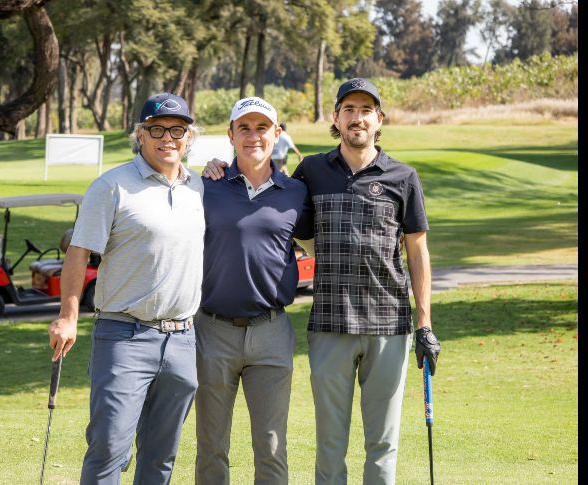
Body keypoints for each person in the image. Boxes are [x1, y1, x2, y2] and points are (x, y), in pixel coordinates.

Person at [203, 78, 441, 484]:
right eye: (349, 109)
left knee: (383, 444)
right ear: (336, 117)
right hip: (331, 326)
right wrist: (217, 170)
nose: (357, 118)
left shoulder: (403, 177)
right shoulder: (311, 172)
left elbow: (417, 252)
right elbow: (270, 207)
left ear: (379, 119)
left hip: (390, 326)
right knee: (330, 444)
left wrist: (425, 324)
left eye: (366, 110)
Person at [47, 92, 205, 485]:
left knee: (161, 456)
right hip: (124, 335)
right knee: (108, 448)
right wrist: (67, 317)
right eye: (156, 129)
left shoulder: (200, 187)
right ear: (140, 134)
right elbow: (78, 253)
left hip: (183, 339)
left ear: (189, 137)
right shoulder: (112, 186)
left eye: (177, 130)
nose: (167, 138)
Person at [194, 97, 312, 485]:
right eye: (243, 128)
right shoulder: (205, 186)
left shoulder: (296, 192)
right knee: (211, 445)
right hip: (212, 331)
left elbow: (319, 244)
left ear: (277, 135)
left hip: (272, 332)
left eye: (262, 128)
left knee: (272, 446)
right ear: (230, 135)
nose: (253, 136)